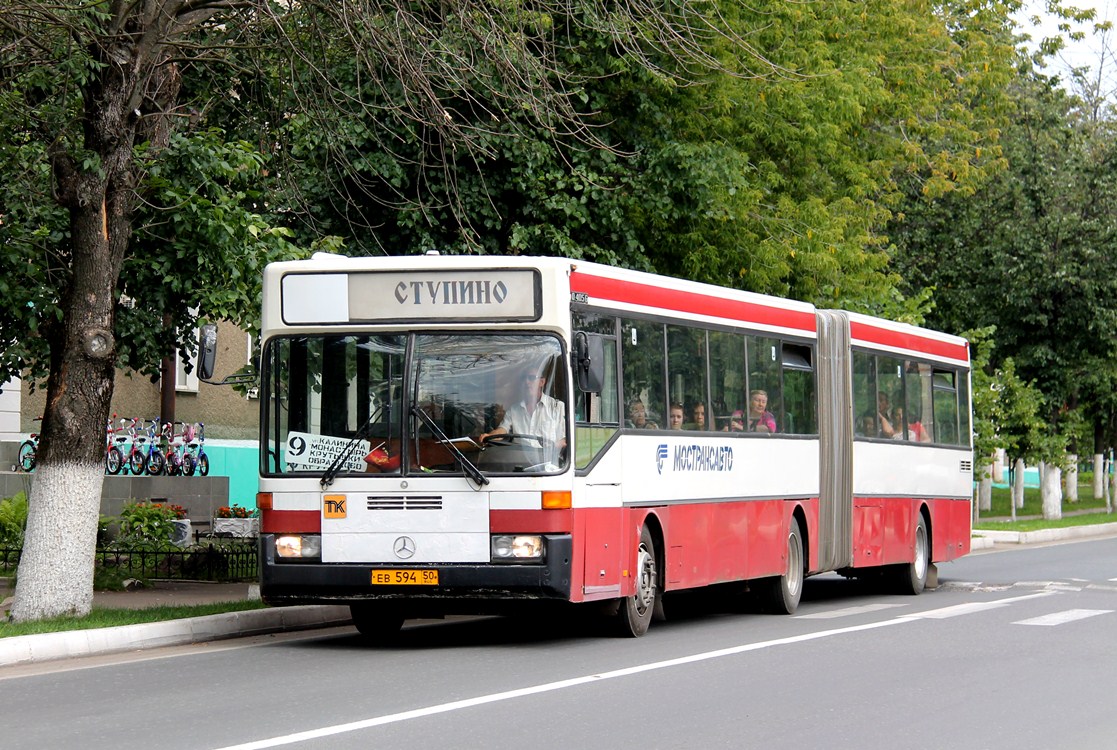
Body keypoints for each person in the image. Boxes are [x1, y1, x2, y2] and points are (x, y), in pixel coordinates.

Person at [480, 366, 566, 464]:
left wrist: (552, 448)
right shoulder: (514, 410)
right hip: (519, 464)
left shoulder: (557, 407)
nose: (527, 382)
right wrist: (489, 436)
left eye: (532, 378)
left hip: (548, 464)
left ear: (542, 382)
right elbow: (502, 430)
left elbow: (566, 438)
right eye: (524, 378)